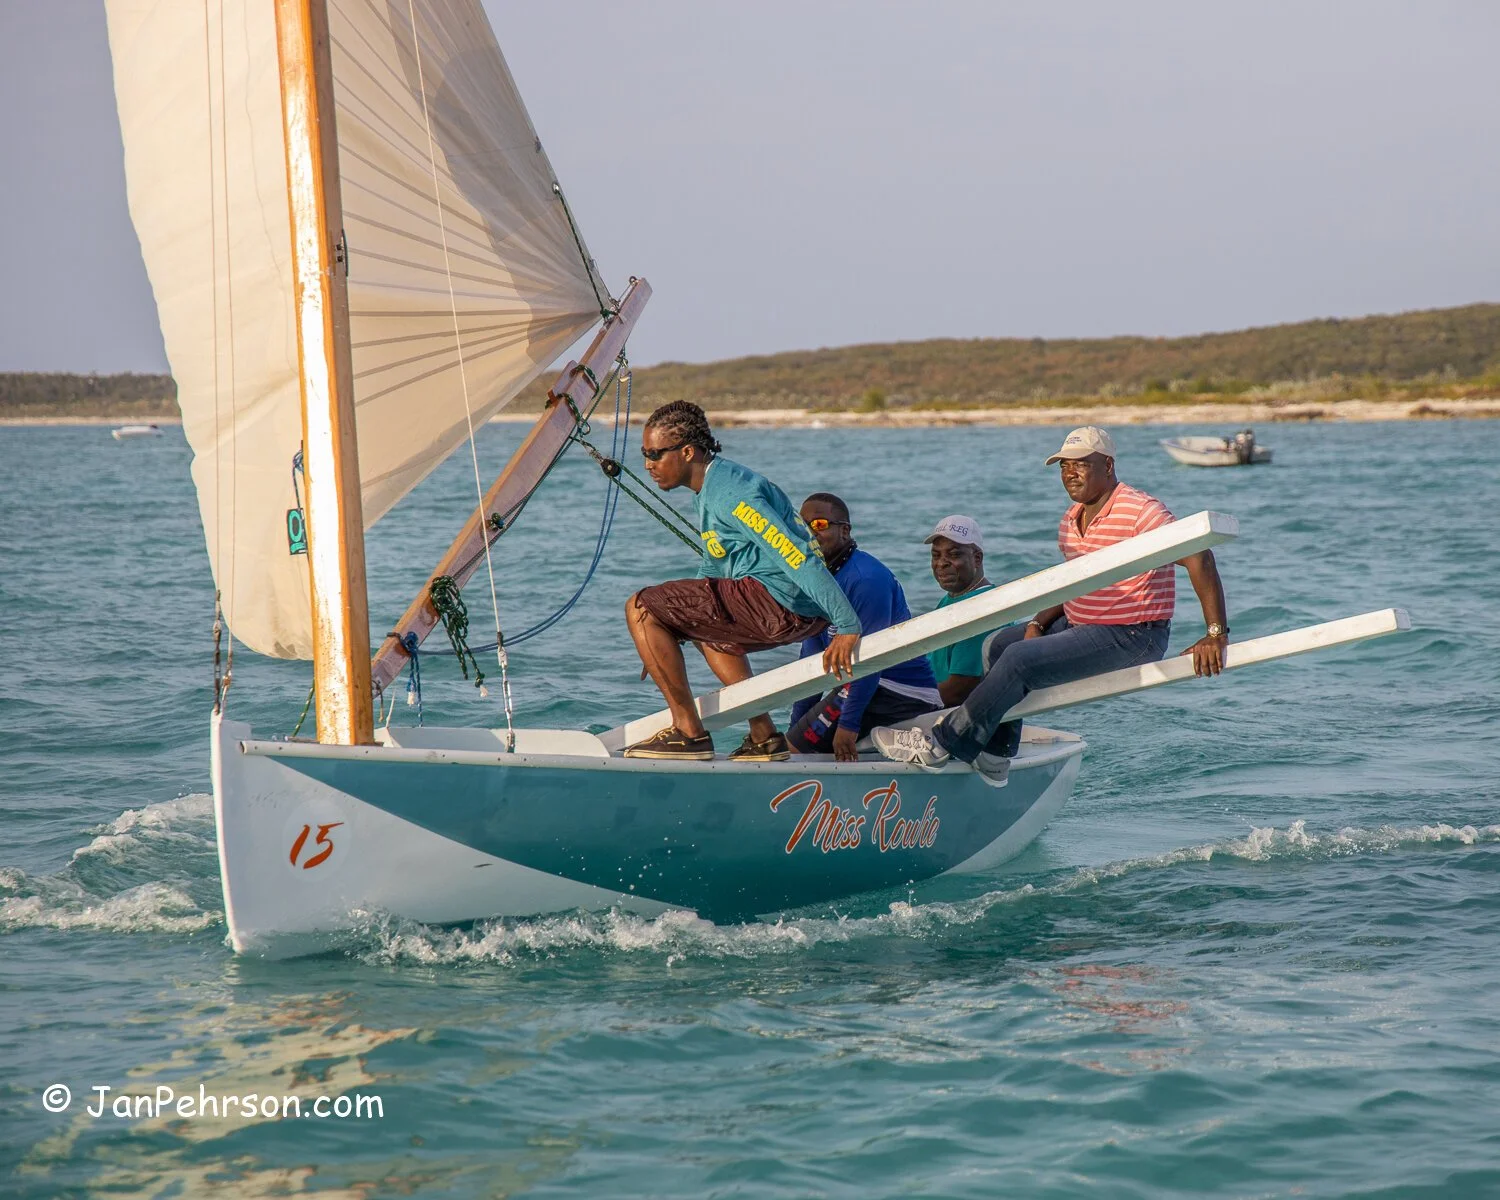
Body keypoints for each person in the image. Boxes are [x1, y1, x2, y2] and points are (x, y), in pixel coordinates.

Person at [873, 426, 1230, 774]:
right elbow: (1072, 583)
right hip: (1079, 623)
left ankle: (945, 743)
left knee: (1018, 660)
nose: (1070, 473)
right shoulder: (1071, 520)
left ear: (1107, 466)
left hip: (1132, 634)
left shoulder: (1140, 510)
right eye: (1063, 465)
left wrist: (1215, 633)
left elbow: (1198, 555)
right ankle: (997, 752)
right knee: (996, 646)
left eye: (1080, 464)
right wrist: (1037, 623)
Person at [624, 402, 862, 762]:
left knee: (638, 605)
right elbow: (713, 574)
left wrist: (847, 623)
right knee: (672, 616)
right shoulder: (712, 487)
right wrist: (660, 633)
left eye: (655, 454)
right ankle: (764, 735)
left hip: (782, 603)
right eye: (645, 455)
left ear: (687, 452)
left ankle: (688, 734)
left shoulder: (731, 492)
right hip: (785, 604)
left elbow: (793, 553)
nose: (647, 465)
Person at [786, 494, 942, 761]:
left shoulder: (866, 579)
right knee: (792, 745)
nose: (810, 533)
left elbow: (873, 659)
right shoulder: (817, 579)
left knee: (796, 747)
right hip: (859, 683)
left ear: (844, 530)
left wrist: (848, 726)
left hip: (901, 691)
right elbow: (810, 662)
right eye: (803, 526)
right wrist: (795, 728)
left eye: (820, 525)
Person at [922, 515, 1000, 706]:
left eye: (954, 555)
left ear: (977, 558)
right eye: (936, 555)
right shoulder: (950, 599)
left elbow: (958, 690)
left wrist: (908, 699)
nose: (942, 563)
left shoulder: (982, 608)